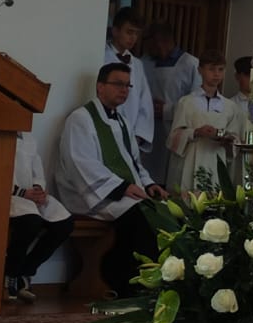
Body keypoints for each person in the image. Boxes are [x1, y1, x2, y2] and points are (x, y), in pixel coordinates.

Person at [52, 62, 168, 294]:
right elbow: (80, 163)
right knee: (139, 219)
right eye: (118, 84)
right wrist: (122, 187)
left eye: (127, 85)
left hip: (119, 192)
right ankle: (123, 283)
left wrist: (149, 184)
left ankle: (156, 283)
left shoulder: (122, 121)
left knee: (164, 214)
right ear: (100, 86)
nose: (124, 90)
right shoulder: (81, 119)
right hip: (89, 194)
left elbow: (133, 162)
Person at [4, 131, 72, 303]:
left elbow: (37, 170)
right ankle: (10, 275)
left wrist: (38, 189)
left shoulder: (28, 137)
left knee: (64, 224)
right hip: (7, 195)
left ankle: (26, 271)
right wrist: (21, 192)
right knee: (30, 222)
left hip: (30, 196)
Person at [165, 52, 235, 194]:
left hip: (216, 160)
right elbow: (173, 137)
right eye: (211, 69)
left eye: (220, 69)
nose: (216, 74)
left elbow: (235, 138)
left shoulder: (230, 106)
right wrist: (196, 132)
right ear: (200, 70)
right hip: (191, 158)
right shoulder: (186, 102)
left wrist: (222, 136)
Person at [141, 21, 199, 180]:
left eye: (147, 42)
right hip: (148, 129)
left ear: (159, 41)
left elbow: (196, 103)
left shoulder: (190, 64)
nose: (145, 47)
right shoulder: (144, 63)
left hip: (175, 130)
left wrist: (166, 110)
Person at [101, 7, 154, 164]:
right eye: (129, 32)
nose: (133, 38)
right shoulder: (101, 56)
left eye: (136, 34)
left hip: (131, 136)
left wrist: (138, 137)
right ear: (115, 31)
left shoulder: (137, 64)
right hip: (106, 131)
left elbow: (145, 103)